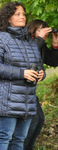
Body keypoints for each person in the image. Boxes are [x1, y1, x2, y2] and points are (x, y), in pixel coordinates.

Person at [0, 2, 44, 149]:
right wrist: (22, 73)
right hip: (7, 98)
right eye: (17, 14)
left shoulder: (30, 42)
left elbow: (38, 63)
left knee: (20, 139)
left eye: (23, 14)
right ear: (8, 18)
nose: (22, 17)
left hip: (27, 98)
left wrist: (41, 73)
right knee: (4, 136)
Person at [24, 19, 58, 149]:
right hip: (18, 89)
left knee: (39, 120)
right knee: (33, 120)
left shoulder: (41, 45)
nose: (43, 33)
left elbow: (53, 61)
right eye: (39, 29)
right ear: (32, 29)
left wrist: (55, 45)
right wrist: (39, 39)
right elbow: (27, 55)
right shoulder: (25, 41)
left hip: (30, 90)